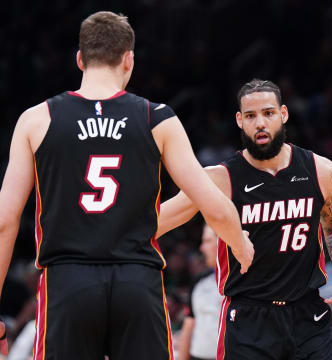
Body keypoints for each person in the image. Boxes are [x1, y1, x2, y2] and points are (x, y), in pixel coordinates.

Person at [0, 12, 254, 359]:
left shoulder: (36, 119)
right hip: (137, 282)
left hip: (67, 282)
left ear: (80, 59)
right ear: (128, 59)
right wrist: (242, 246)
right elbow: (209, 200)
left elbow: (4, 222)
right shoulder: (158, 118)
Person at [157, 79, 332, 360]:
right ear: (239, 121)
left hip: (308, 315)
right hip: (250, 319)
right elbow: (158, 221)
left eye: (268, 113)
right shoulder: (220, 178)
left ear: (283, 114)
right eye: (251, 116)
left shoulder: (320, 170)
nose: (260, 123)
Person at [178, 224, 223, 360]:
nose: (202, 248)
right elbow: (188, 326)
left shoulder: (242, 282)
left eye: (207, 241)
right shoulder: (198, 281)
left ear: (222, 242)